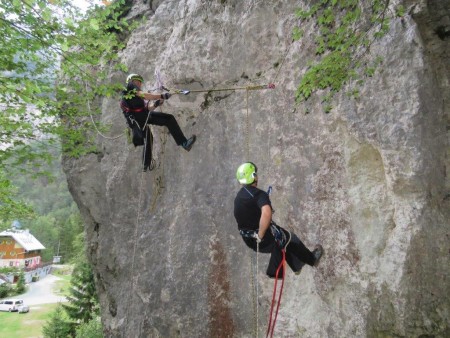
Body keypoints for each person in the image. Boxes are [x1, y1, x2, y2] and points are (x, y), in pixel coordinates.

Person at [233, 162, 323, 278]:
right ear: (254, 176)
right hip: (262, 239)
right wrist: (260, 235)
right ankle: (312, 259)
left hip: (249, 239)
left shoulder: (239, 197)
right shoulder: (260, 195)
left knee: (284, 244)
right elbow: (266, 212)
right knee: (291, 239)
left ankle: (297, 266)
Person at [121, 73, 196, 171]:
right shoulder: (130, 87)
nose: (139, 84)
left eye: (140, 82)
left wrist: (156, 104)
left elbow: (148, 108)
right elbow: (145, 95)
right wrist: (161, 95)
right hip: (138, 119)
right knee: (167, 120)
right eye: (138, 81)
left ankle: (146, 164)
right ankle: (184, 143)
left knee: (153, 134)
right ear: (132, 81)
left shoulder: (135, 96)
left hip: (141, 118)